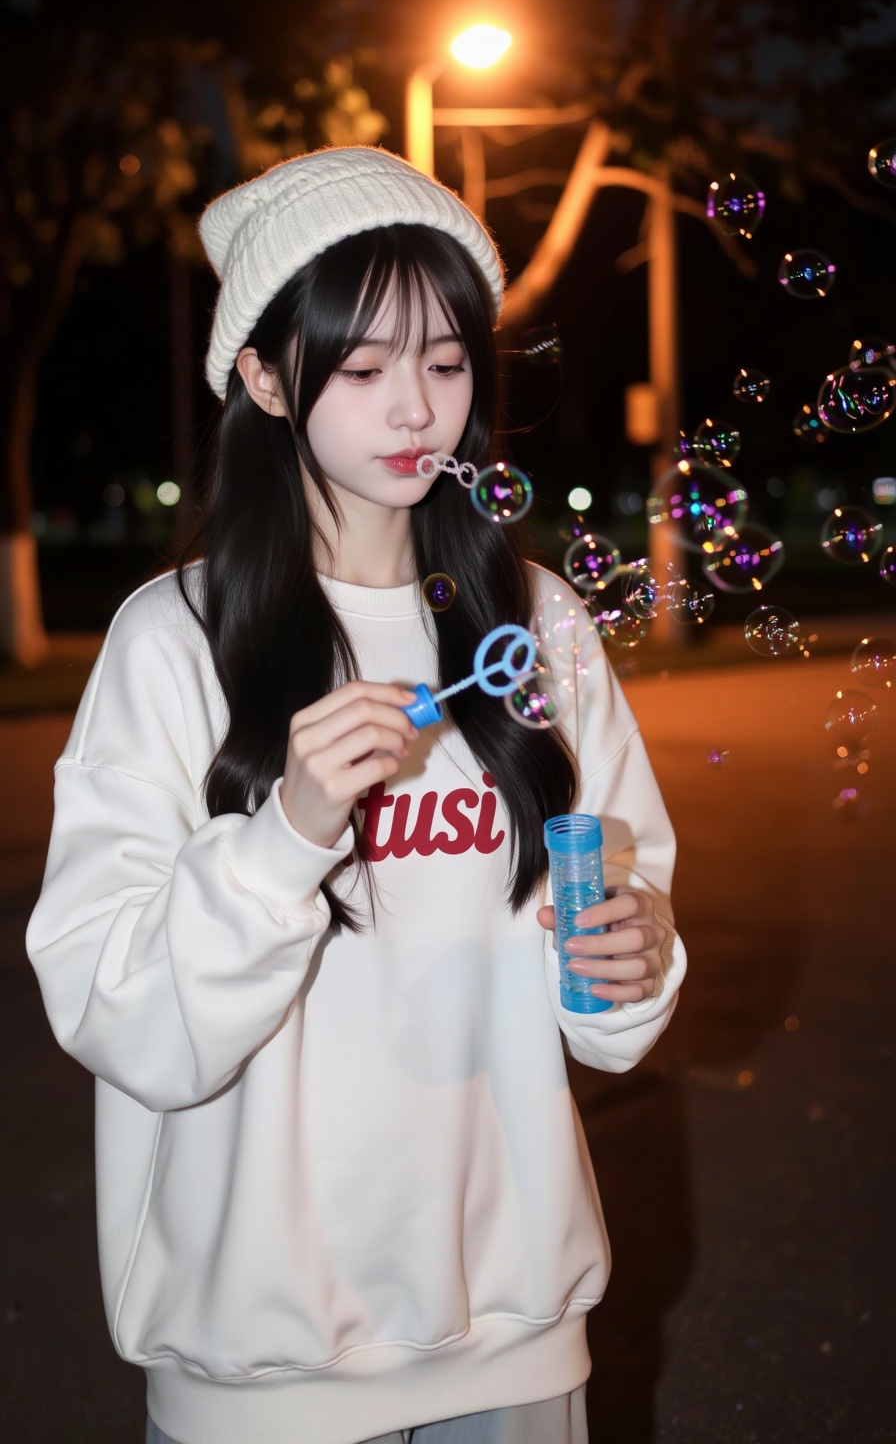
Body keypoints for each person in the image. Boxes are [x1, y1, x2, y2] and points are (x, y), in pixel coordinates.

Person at [26, 145, 686, 1444]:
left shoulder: (537, 624)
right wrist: (285, 838)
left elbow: (616, 978)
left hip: (510, 1340)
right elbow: (120, 1016)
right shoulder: (173, 642)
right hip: (262, 1377)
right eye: (365, 368)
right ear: (266, 378)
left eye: (446, 362)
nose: (416, 411)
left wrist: (635, 954)